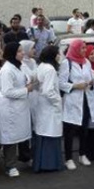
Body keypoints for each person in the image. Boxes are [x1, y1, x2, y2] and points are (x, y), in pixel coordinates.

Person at [0, 42, 34, 177]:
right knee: (11, 137)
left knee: (23, 133)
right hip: (9, 107)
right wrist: (26, 89)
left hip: (21, 106)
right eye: (19, 51)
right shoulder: (7, 70)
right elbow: (7, 91)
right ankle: (10, 165)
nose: (22, 53)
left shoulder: (20, 65)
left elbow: (30, 75)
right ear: (12, 54)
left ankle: (25, 157)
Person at [59, 40, 94, 170]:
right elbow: (61, 83)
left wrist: (91, 81)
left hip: (85, 99)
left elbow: (90, 76)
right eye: (82, 48)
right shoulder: (66, 63)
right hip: (72, 100)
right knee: (70, 130)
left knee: (84, 129)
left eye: (85, 48)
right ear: (75, 49)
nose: (84, 51)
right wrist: (75, 86)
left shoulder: (86, 62)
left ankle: (82, 154)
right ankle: (68, 158)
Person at [32, 45, 64, 173]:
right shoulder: (50, 69)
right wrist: (58, 101)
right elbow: (48, 91)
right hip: (49, 106)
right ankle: (50, 164)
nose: (59, 56)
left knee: (43, 133)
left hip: (42, 106)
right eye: (57, 53)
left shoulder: (41, 66)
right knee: (50, 134)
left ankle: (41, 164)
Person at [19, 40, 39, 128]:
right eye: (32, 48)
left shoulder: (33, 62)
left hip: (35, 94)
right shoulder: (20, 63)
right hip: (26, 94)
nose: (34, 50)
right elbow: (29, 78)